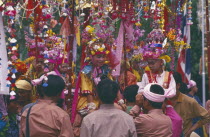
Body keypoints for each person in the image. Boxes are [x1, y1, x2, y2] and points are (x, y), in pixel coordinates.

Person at [170, 72, 210, 137]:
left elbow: (207, 117)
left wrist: (191, 130)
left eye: (170, 85)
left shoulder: (189, 101)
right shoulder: (162, 101)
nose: (167, 88)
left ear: (178, 85)